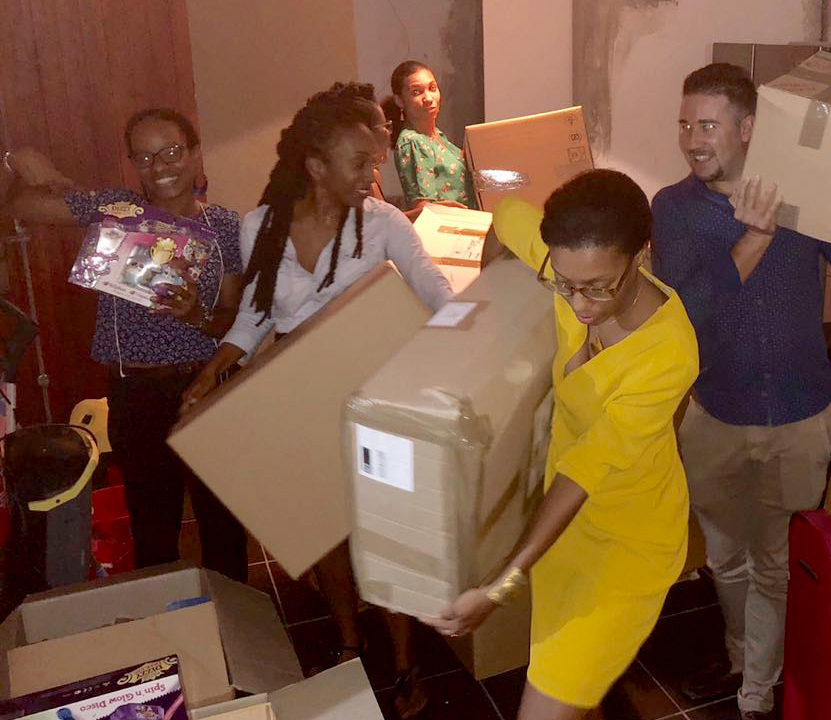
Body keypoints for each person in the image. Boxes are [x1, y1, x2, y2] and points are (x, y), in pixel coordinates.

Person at [178, 88, 452, 718]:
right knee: (323, 524)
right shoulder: (262, 226)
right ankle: (350, 641)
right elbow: (254, 316)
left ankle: (405, 661)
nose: (371, 175)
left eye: (375, 161)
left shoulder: (383, 223)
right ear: (316, 165)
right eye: (359, 162)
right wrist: (211, 372)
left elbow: (434, 290)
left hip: (377, 405)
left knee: (383, 533)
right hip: (304, 403)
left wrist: (472, 340)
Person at [649, 62, 831, 719]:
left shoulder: (803, 198)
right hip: (717, 413)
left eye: (707, 125)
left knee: (773, 559)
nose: (692, 140)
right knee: (726, 556)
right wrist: (756, 237)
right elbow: (687, 311)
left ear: (748, 129)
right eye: (685, 124)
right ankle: (745, 656)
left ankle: (757, 690)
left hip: (800, 414)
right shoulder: (674, 209)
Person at [423, 169, 699, 720]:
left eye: (598, 286)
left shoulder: (667, 352)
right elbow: (507, 216)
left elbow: (585, 472)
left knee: (553, 693)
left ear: (641, 255)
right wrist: (489, 313)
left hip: (625, 545)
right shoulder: (570, 264)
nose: (579, 304)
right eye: (564, 284)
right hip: (563, 533)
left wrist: (500, 585)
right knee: (572, 688)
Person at [0, 109, 249, 583]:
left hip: (209, 383)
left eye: (172, 152)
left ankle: (237, 618)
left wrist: (195, 314)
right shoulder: (117, 212)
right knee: (153, 529)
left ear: (195, 153)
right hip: (138, 392)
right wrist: (16, 162)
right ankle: (165, 622)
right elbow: (19, 206)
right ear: (134, 163)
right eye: (146, 157)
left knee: (224, 523)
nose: (161, 166)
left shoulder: (223, 226)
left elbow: (235, 320)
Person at [384, 60, 475, 214]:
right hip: (449, 225)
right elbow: (422, 208)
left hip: (467, 221)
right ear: (399, 100)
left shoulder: (437, 135)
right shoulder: (412, 141)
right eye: (416, 92)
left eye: (432, 88)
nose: (428, 98)